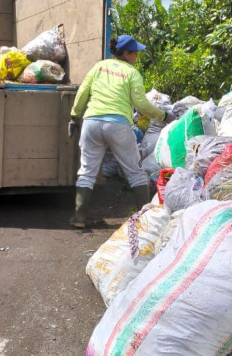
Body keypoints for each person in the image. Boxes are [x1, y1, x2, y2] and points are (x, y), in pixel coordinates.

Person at [67, 34, 171, 228]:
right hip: (118, 125)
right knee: (134, 171)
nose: (137, 56)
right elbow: (141, 103)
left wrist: (74, 117)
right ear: (126, 53)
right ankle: (145, 219)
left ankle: (79, 217)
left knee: (87, 171)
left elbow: (83, 92)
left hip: (91, 122)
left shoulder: (99, 67)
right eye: (135, 53)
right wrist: (163, 116)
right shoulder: (132, 73)